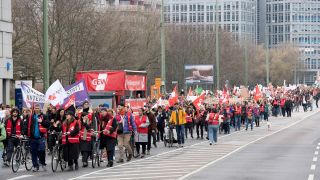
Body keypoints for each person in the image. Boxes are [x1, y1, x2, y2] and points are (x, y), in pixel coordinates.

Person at [28, 104, 50, 172]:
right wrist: (24, 133)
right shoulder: (31, 116)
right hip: (32, 137)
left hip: (41, 137)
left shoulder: (44, 116)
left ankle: (42, 163)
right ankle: (35, 166)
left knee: (42, 150)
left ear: (40, 109)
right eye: (35, 108)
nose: (37, 109)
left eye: (38, 108)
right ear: (34, 109)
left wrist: (42, 121)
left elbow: (48, 124)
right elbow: (26, 125)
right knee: (33, 152)